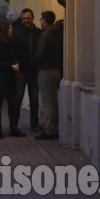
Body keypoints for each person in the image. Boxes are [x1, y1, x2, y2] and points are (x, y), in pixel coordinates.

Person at [0, 22, 26, 139]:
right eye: (9, 29)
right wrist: (11, 66)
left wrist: (14, 63)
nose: (11, 31)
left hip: (8, 78)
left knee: (12, 103)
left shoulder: (9, 43)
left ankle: (13, 128)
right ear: (4, 31)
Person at [32, 11, 63, 140]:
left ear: (44, 20)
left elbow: (40, 53)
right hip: (56, 69)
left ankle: (50, 129)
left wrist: (32, 64)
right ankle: (53, 126)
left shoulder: (45, 34)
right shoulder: (58, 33)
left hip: (45, 70)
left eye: (41, 19)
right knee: (53, 101)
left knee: (47, 101)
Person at [12, 8, 43, 133]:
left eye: (28, 18)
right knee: (18, 97)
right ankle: (14, 124)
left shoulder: (38, 33)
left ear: (33, 18)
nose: (26, 21)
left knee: (34, 98)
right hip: (21, 71)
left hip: (34, 70)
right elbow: (12, 50)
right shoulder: (16, 33)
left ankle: (34, 124)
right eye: (24, 18)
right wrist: (15, 62)